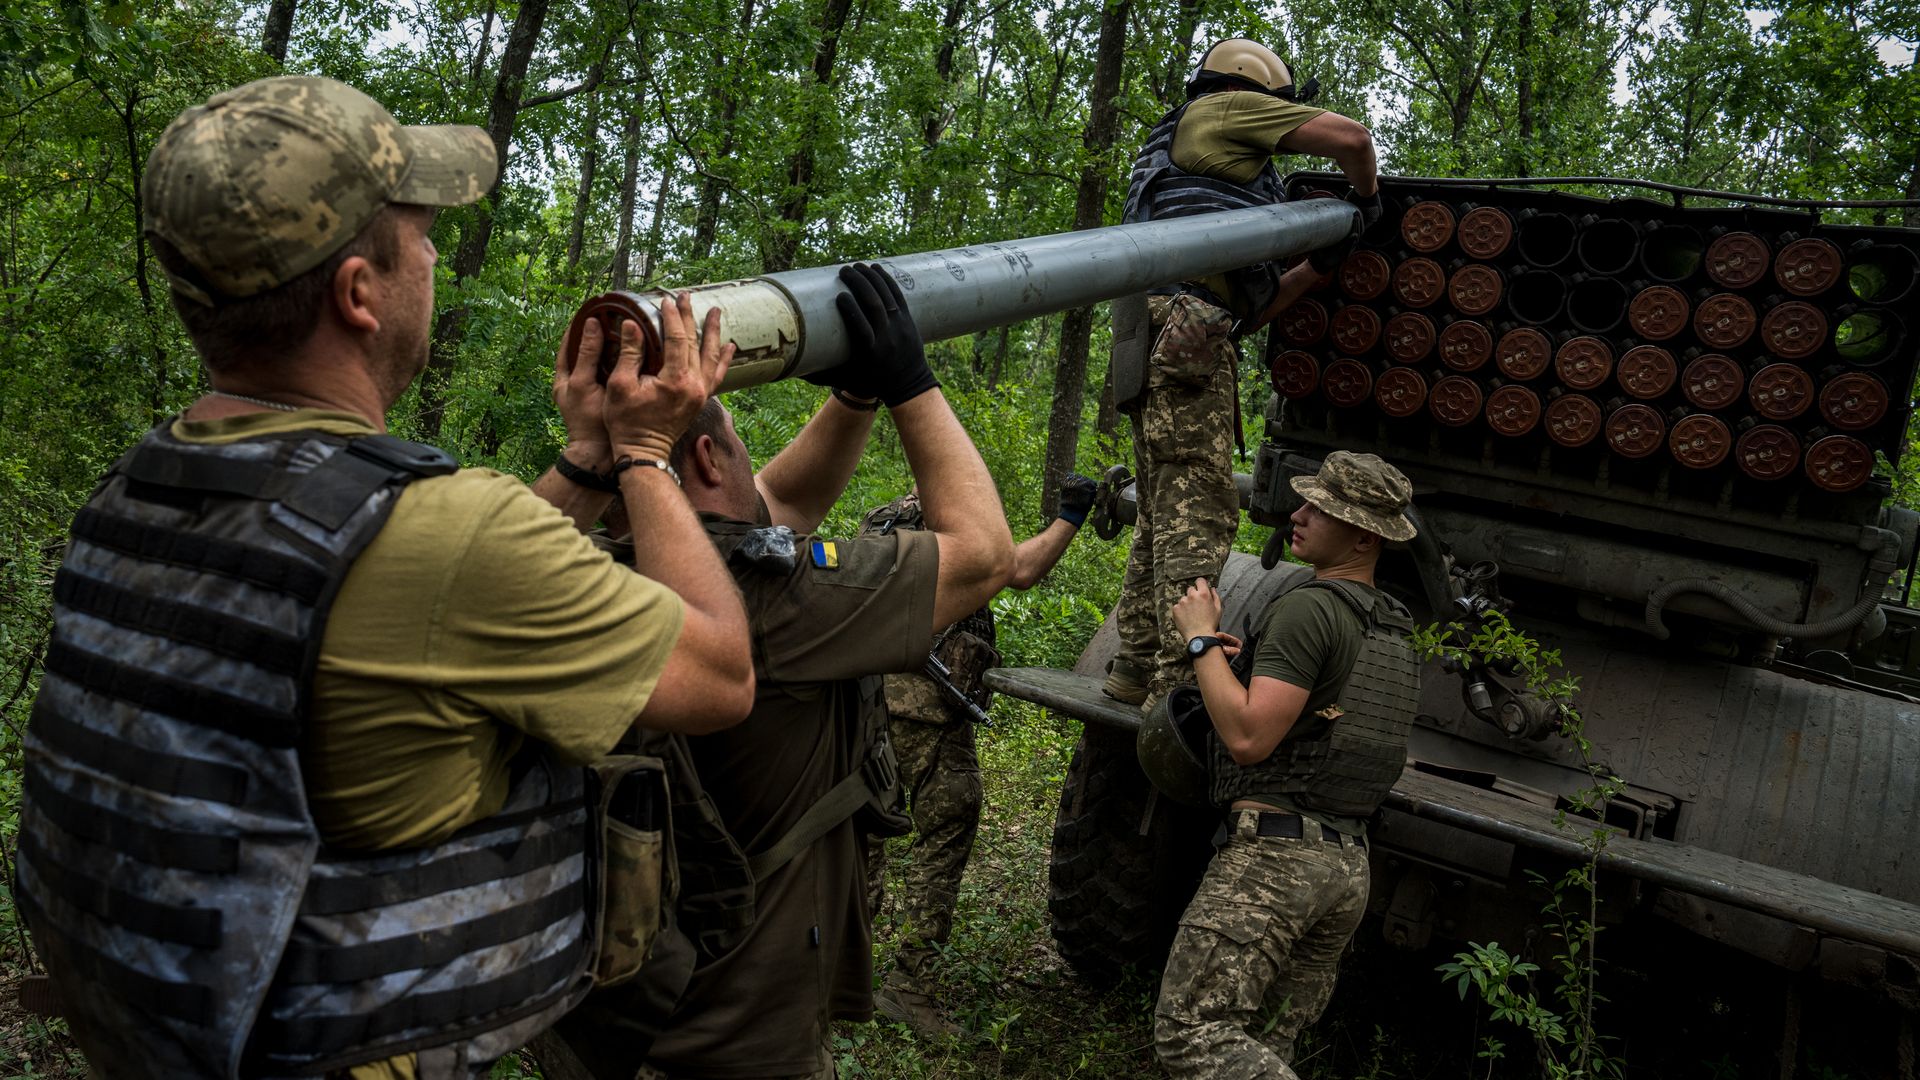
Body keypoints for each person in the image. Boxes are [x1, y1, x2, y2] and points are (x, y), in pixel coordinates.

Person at [14, 75, 754, 1080]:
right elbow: (719, 676)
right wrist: (646, 456)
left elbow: (412, 588)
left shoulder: (142, 485)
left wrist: (586, 459)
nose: (437, 259)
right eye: (422, 237)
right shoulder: (452, 534)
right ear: (360, 293)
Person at [559, 264, 1014, 1079]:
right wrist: (910, 382)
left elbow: (772, 505)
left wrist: (855, 396)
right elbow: (983, 557)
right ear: (706, 457)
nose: (754, 466)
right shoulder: (778, 603)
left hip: (618, 1026)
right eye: (737, 443)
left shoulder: (586, 568)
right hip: (741, 1048)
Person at [1105, 37, 1382, 710]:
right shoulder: (1223, 110)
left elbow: (1248, 310)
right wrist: (1367, 199)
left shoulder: (1198, 175)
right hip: (1186, 337)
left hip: (1162, 336)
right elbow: (1353, 139)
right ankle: (1177, 688)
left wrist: (1317, 266)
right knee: (1200, 510)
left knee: (1164, 512)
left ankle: (1133, 665)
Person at [1150, 451, 1423, 1077]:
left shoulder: (1310, 608)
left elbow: (1249, 739)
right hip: (1346, 869)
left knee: (1193, 1033)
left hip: (1275, 863)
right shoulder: (1394, 627)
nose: (1296, 515)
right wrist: (1241, 668)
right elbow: (1330, 715)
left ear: (1364, 536)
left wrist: (1200, 639)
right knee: (1266, 1044)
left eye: (1320, 509)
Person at [859, 470, 1099, 1037]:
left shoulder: (881, 522)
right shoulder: (954, 528)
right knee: (946, 832)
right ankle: (909, 988)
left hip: (868, 705)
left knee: (861, 835)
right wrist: (1071, 516)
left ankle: (839, 976)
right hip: (930, 712)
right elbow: (1021, 570)